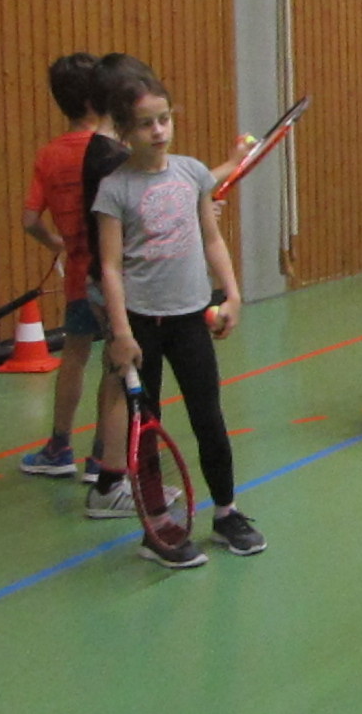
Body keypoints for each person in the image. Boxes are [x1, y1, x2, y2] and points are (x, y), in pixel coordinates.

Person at [93, 55, 265, 568]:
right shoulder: (114, 189)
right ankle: (156, 528)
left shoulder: (191, 173)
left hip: (191, 319)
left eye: (164, 119)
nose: (158, 131)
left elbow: (211, 238)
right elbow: (110, 268)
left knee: (209, 416)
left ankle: (227, 512)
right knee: (146, 426)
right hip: (141, 326)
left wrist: (231, 293)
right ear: (124, 131)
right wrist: (121, 334)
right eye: (146, 124)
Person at [18, 53, 111, 481]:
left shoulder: (49, 155)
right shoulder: (112, 149)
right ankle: (103, 455)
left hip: (77, 273)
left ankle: (59, 447)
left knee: (74, 355)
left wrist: (58, 242)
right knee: (116, 360)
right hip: (113, 274)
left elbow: (30, 220)